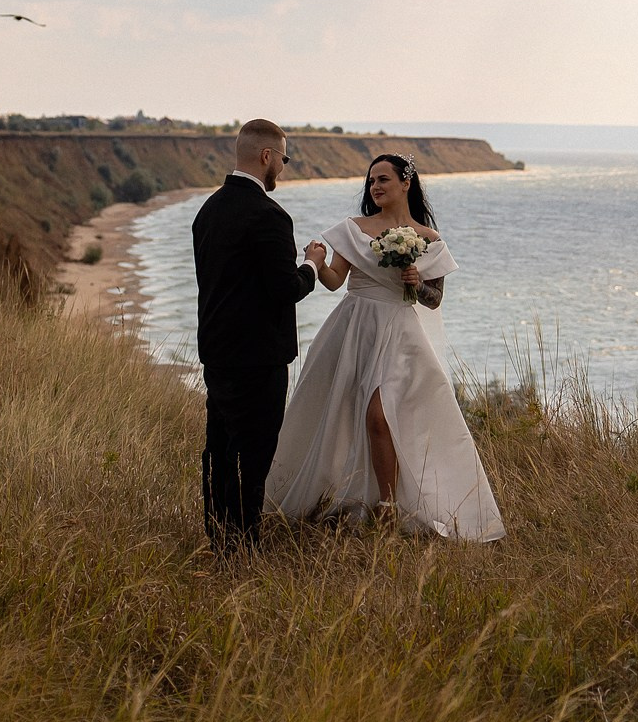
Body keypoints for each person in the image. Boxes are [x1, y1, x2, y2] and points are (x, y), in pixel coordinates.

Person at [266, 153, 505, 541]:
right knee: (341, 413)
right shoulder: (354, 229)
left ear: (406, 183)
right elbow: (333, 281)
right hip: (355, 328)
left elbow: (433, 299)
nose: (375, 187)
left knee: (380, 416)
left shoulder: (428, 239)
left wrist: (415, 282)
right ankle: (339, 494)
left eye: (383, 179)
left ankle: (388, 508)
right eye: (371, 181)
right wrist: (316, 260)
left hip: (400, 334)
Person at [191, 118, 326, 551]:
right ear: (266, 156)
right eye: (283, 159)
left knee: (219, 447)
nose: (282, 169)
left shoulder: (207, 211)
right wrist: (312, 263)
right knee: (255, 453)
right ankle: (245, 542)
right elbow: (284, 289)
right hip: (259, 357)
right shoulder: (270, 216)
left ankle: (219, 535)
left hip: (217, 351)